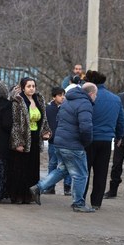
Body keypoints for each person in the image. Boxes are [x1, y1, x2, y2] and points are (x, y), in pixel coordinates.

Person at [30, 83, 98, 213]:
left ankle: (39, 188)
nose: (96, 97)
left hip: (60, 142)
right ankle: (78, 203)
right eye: (96, 94)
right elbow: (86, 127)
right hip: (73, 145)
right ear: (91, 94)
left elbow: (58, 120)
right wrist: (86, 142)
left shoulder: (68, 101)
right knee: (81, 175)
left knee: (62, 170)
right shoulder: (85, 104)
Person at [82, 70, 124, 210]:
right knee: (101, 172)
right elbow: (121, 120)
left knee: (84, 171)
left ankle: (80, 199)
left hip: (88, 139)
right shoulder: (115, 99)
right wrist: (119, 136)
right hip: (106, 141)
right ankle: (96, 202)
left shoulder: (87, 96)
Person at [8, 77, 51, 204]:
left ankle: (29, 195)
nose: (31, 88)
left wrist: (46, 131)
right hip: (23, 138)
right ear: (22, 88)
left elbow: (44, 119)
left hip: (35, 139)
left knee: (32, 168)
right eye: (28, 86)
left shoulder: (39, 100)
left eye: (33, 86)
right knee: (20, 168)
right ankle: (18, 196)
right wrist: (18, 142)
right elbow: (15, 123)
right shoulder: (17, 101)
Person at [42, 87, 70, 195]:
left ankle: (67, 187)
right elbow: (46, 123)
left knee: (67, 164)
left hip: (65, 142)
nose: (62, 97)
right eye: (60, 95)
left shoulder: (67, 108)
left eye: (63, 95)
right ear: (54, 97)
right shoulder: (48, 109)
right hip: (53, 141)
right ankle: (50, 186)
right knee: (52, 164)